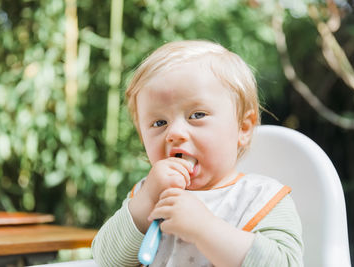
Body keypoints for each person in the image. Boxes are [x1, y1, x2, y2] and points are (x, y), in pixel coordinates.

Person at [92, 40, 303, 267]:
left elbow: (285, 263)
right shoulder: (148, 195)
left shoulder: (262, 199)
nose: (174, 133)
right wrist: (145, 203)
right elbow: (106, 261)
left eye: (197, 115)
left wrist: (204, 228)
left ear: (243, 127)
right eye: (159, 122)